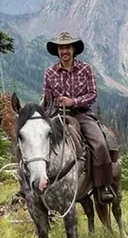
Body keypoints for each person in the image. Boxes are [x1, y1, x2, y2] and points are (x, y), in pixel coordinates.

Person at [41, 32, 114, 203]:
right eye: (61, 48)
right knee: (38, 142)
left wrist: (73, 101)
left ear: (73, 49)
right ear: (57, 51)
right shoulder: (49, 72)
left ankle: (102, 186)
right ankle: (37, 184)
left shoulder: (86, 69)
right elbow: (45, 97)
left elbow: (93, 94)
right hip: (56, 115)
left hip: (81, 114)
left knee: (100, 144)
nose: (64, 51)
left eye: (67, 47)